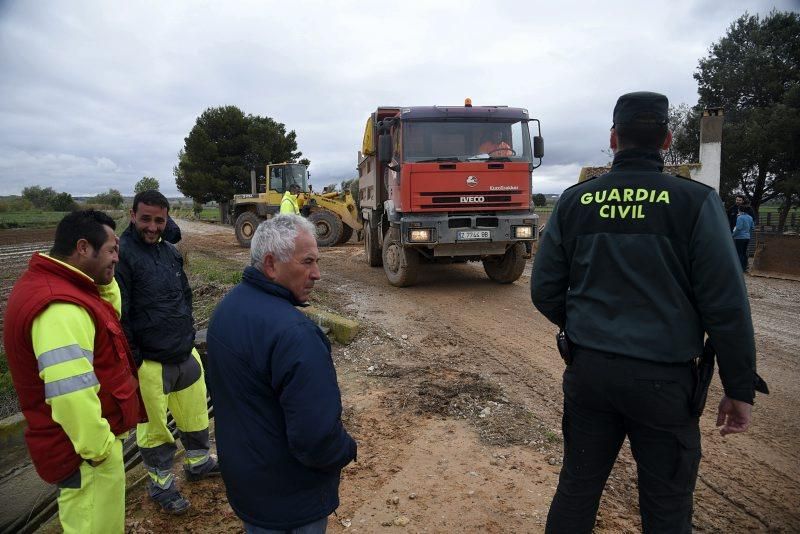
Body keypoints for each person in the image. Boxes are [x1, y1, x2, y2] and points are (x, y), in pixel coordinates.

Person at [531, 91, 764, 533]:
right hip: (666, 383)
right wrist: (739, 388)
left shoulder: (576, 201)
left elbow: (544, 289)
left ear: (614, 139)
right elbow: (726, 304)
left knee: (577, 489)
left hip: (590, 373)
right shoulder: (695, 202)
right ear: (667, 139)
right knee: (667, 505)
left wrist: (583, 326)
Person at [206, 214, 357, 533]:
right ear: (272, 265)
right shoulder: (295, 334)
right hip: (291, 498)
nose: (317, 274)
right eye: (307, 262)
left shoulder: (227, 308)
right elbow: (316, 440)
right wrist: (347, 449)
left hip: (247, 484)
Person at [3, 210, 143, 533]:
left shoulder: (66, 287)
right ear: (83, 248)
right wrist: (101, 450)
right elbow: (70, 393)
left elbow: (109, 319)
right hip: (87, 458)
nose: (117, 259)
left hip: (84, 454)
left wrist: (103, 284)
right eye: (111, 250)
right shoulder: (60, 307)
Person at [116, 190, 219, 515]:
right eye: (145, 219)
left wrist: (187, 334)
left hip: (184, 353)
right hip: (150, 363)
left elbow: (184, 296)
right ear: (133, 216)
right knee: (155, 429)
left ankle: (198, 463)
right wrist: (133, 364)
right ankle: (160, 486)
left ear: (166, 220)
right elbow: (122, 315)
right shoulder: (123, 256)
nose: (152, 226)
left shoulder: (170, 253)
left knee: (195, 416)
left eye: (159, 220)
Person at [733, 207, 755, 272]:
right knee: (744, 253)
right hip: (747, 237)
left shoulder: (740, 217)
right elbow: (752, 227)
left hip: (739, 237)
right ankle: (744, 268)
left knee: (739, 253)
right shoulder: (750, 217)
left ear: (740, 210)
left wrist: (733, 235)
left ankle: (738, 269)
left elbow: (738, 228)